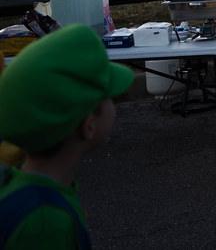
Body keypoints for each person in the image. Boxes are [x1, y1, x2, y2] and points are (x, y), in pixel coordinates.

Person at [0, 25, 134, 248]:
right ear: (89, 125)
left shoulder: (21, 187)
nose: (113, 104)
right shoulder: (47, 224)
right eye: (109, 96)